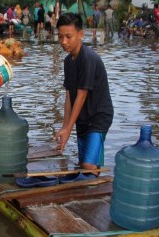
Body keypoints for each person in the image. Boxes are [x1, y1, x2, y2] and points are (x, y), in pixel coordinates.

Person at [55, 13, 114, 178]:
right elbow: (69, 97)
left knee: (88, 165)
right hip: (82, 118)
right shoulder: (68, 62)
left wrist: (68, 129)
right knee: (82, 164)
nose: (64, 42)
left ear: (80, 34)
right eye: (60, 37)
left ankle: (98, 197)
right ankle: (88, 195)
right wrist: (65, 127)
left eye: (68, 37)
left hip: (98, 116)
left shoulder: (88, 58)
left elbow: (81, 96)